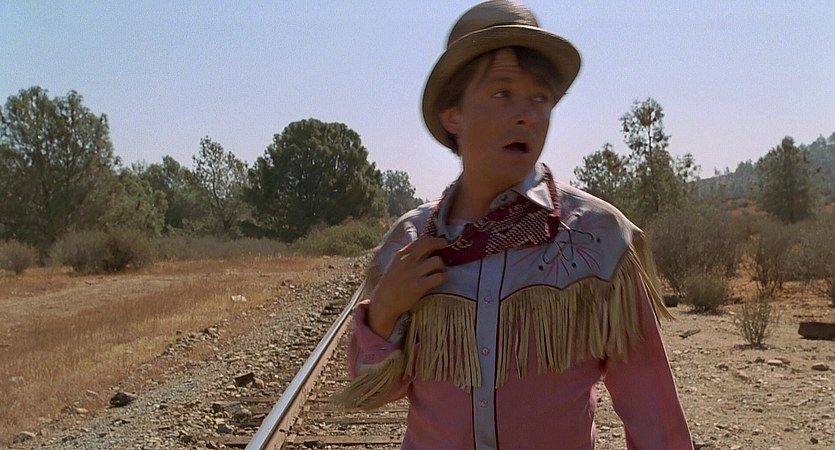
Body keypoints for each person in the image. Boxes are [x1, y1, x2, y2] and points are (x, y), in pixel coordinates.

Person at [338, 1, 693, 449]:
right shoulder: (410, 242)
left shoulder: (599, 241)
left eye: (540, 97)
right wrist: (385, 310)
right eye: (502, 93)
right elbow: (371, 392)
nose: (527, 113)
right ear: (453, 113)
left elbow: (653, 412)